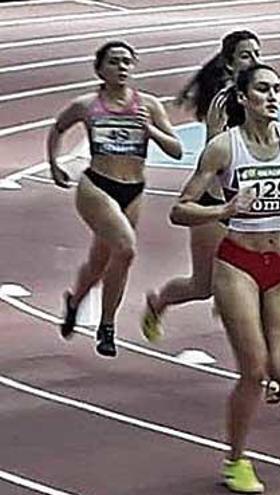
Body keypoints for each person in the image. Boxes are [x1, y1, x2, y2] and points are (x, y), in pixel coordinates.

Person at [170, 63, 280, 493]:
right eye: (263, 89)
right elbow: (179, 209)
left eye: (277, 88)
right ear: (243, 98)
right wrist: (223, 211)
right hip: (238, 264)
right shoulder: (225, 148)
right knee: (254, 371)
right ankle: (236, 461)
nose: (273, 96)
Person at [49, 40, 182, 357]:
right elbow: (57, 128)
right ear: (100, 69)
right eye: (114, 62)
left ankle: (75, 301)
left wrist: (150, 131)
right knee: (126, 248)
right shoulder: (86, 105)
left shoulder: (148, 105)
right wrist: (54, 163)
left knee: (100, 262)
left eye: (127, 62)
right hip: (96, 186)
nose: (121, 67)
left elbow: (176, 149)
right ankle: (107, 326)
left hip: (133, 190)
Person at [141, 30, 261, 343]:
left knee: (261, 272)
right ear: (230, 63)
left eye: (256, 54)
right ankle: (158, 303)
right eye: (246, 55)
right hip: (215, 199)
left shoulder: (260, 95)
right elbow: (216, 150)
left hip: (248, 199)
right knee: (202, 286)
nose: (254, 61)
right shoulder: (223, 101)